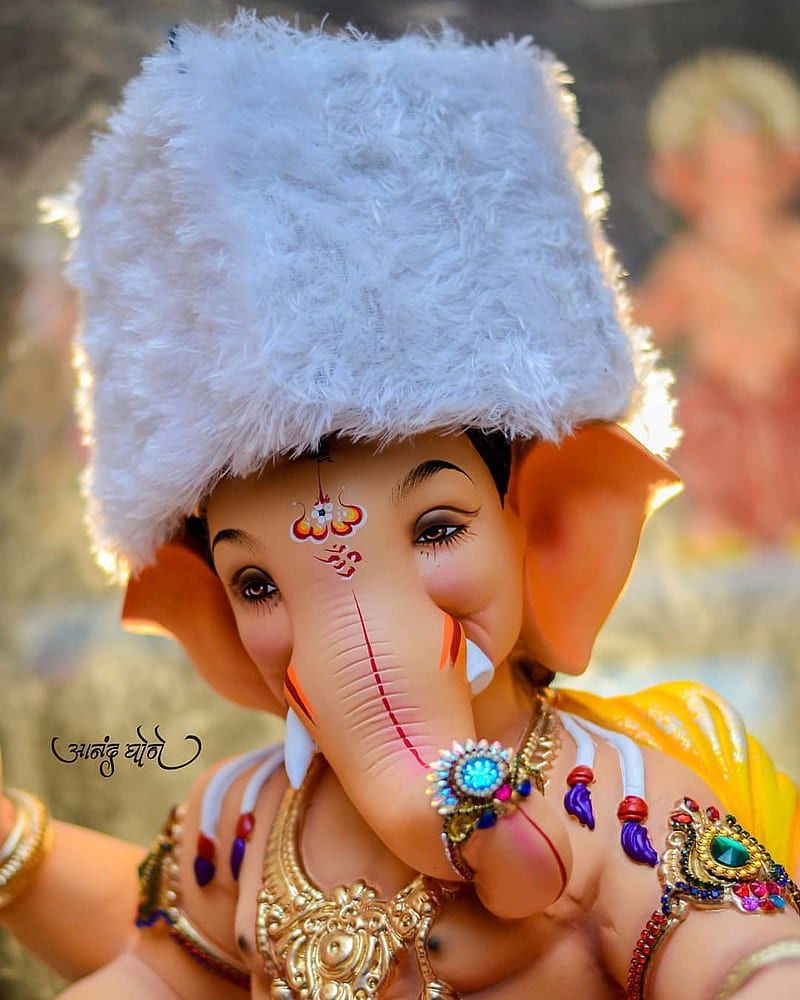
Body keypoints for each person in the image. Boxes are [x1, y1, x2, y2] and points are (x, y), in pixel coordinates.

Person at [2, 16, 800, 999]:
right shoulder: (241, 816)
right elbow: (159, 973)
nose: (353, 633)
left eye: (432, 529)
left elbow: (735, 952)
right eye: (258, 580)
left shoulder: (608, 795)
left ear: (548, 529)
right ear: (203, 610)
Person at [634, 50, 800, 552]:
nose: (739, 189)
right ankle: (718, 518)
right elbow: (648, 327)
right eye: (722, 175)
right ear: (682, 181)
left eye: (751, 171)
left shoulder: (791, 248)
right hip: (717, 409)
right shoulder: (689, 261)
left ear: (784, 169)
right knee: (708, 439)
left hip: (789, 398)